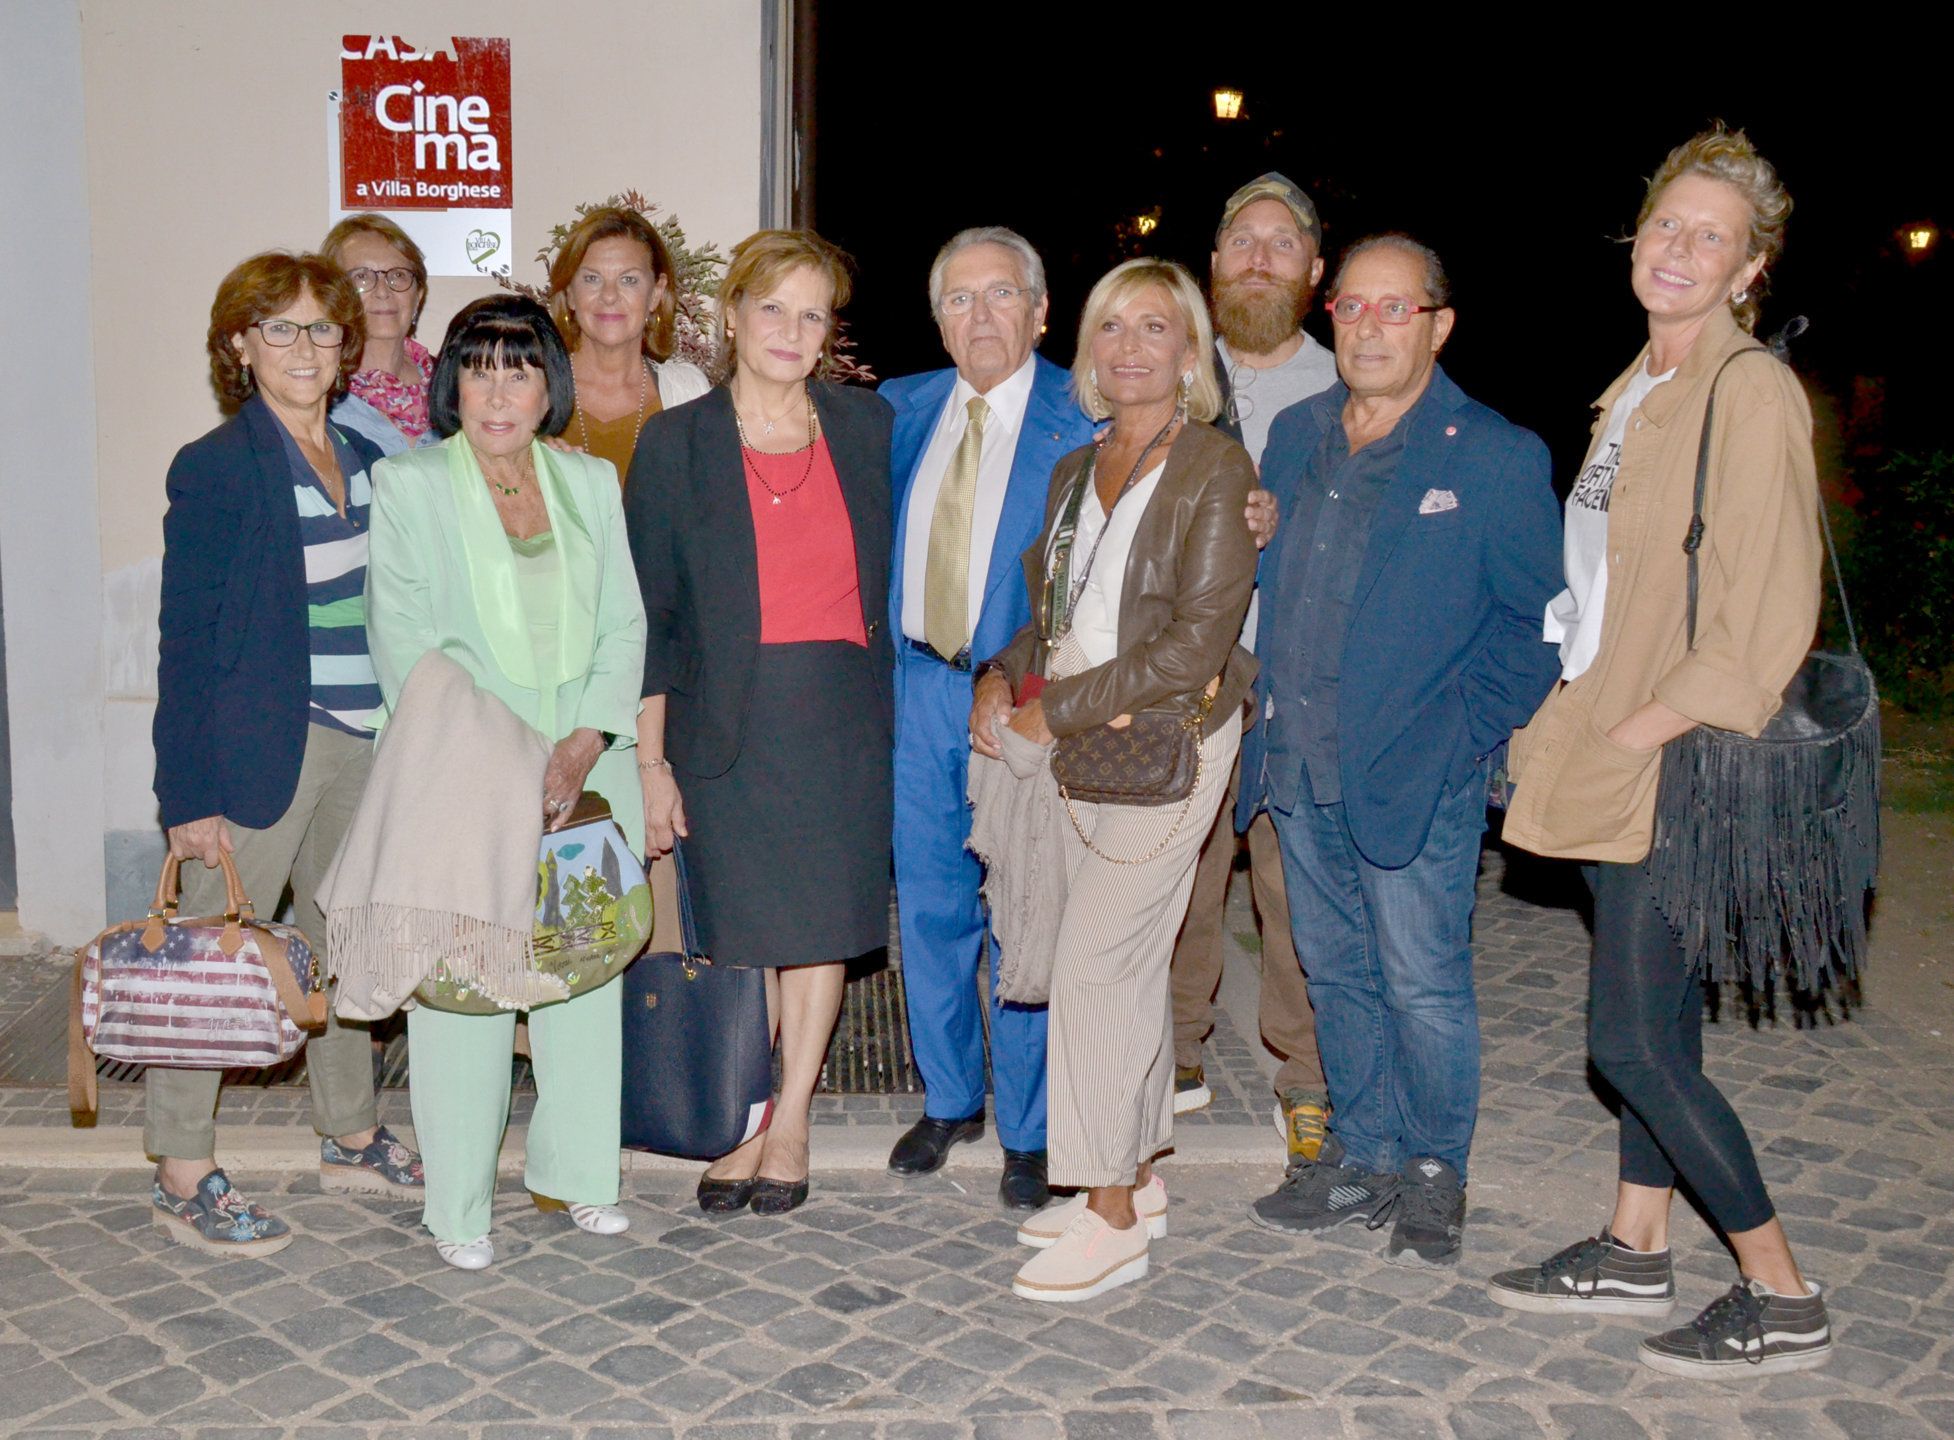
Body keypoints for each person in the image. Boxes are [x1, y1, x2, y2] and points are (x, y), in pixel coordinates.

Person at [1491, 128, 1833, 1375]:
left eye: (1711, 236)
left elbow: (1767, 610)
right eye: (1664, 225)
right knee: (1660, 1021)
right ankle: (1637, 1244)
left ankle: (1781, 1287)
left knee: (1627, 1040)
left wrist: (1637, 732)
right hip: (1606, 720)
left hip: (1677, 751)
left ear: (1750, 269)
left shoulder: (1745, 391)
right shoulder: (1638, 384)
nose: (1677, 249)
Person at [1241, 235, 1562, 1268]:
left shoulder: (1493, 454)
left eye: (1396, 308)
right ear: (1328, 315)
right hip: (1297, 766)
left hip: (1415, 776)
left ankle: (1433, 1169)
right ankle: (1361, 1154)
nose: (1370, 327)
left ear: (1439, 325)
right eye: (1352, 306)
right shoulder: (1292, 435)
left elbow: (1535, 627)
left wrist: (1459, 743)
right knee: (1334, 974)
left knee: (1422, 981)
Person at [973, 258, 1259, 1301]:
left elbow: (1195, 646)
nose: (1130, 348)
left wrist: (1062, 707)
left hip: (1170, 744)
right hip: (1092, 740)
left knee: (1093, 966)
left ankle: (1105, 1214)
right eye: (1111, 329)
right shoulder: (1071, 468)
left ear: (1189, 351)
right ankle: (1134, 1178)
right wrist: (1002, 674)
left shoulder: (1215, 469)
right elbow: (1059, 619)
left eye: (1154, 328)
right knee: (1124, 971)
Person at [364, 294, 648, 1270]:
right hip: (462, 773)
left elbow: (623, 622)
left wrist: (579, 743)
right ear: (451, 383)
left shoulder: (588, 482)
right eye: (479, 368)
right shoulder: (408, 487)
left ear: (547, 385)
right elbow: (408, 647)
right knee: (462, 994)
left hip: (587, 765)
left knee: (579, 979)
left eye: (519, 368)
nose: (499, 390)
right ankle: (458, 1208)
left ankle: (580, 1174)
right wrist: (511, 758)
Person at [150, 251, 423, 1256]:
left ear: (345, 344)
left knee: (341, 947)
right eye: (280, 329)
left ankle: (348, 1132)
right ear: (240, 346)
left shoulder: (369, 459)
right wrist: (186, 793)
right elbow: (184, 645)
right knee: (211, 962)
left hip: (367, 741)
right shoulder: (217, 467)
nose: (304, 349)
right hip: (260, 752)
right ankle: (181, 1169)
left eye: (321, 329)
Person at [627, 230, 894, 1218]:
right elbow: (649, 618)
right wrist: (650, 763)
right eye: (772, 308)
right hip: (724, 719)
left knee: (819, 927)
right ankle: (745, 1116)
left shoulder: (867, 428)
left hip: (840, 717)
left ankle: (789, 1122)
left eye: (812, 313)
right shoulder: (675, 442)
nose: (791, 330)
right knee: (741, 930)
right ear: (731, 316)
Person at [879, 228, 1095, 1212]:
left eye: (1001, 295)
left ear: (1041, 311)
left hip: (1024, 699)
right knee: (929, 906)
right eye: (959, 300)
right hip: (915, 687)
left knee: (1024, 908)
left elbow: (1103, 581)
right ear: (938, 319)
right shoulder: (896, 410)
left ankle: (1032, 1126)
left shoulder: (1085, 419)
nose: (980, 318)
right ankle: (951, 1096)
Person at [1171, 174, 1339, 1163]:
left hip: (1305, 679)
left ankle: (1306, 1074)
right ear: (1214, 266)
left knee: (1297, 885)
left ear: (1314, 272)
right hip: (1194, 675)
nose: (1260, 255)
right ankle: (1175, 1047)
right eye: (1242, 239)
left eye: (1282, 241)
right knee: (1177, 870)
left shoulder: (1350, 381)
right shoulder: (1174, 376)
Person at [549, 205, 712, 486]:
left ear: (655, 294)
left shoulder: (688, 393)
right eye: (592, 278)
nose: (609, 296)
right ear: (570, 293)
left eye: (629, 280)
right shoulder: (532, 390)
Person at [322, 215, 437, 457]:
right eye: (361, 276)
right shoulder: (318, 394)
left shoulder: (454, 386)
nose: (383, 291)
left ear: (418, 295)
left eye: (398, 276)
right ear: (332, 296)